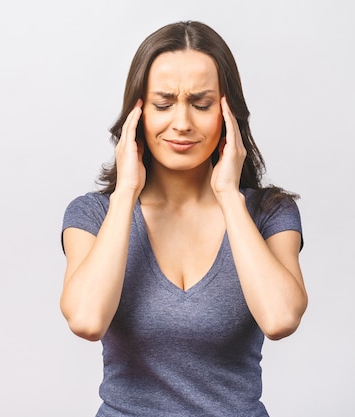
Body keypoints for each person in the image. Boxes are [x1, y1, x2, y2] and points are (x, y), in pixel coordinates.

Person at [60, 20, 307, 417]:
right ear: (136, 114)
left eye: (202, 104)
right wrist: (125, 193)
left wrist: (228, 195)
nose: (182, 123)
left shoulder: (268, 213)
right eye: (162, 104)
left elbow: (280, 319)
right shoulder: (93, 214)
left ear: (229, 112)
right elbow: (87, 321)